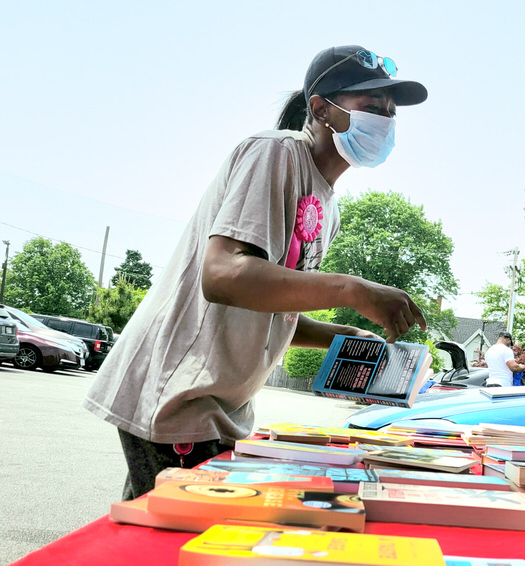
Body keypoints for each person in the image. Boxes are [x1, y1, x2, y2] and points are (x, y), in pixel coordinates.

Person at [84, 45, 429, 500]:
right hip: (179, 393)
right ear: (321, 108)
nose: (384, 121)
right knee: (173, 546)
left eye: (390, 113)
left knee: (160, 539)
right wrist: (353, 289)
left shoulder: (326, 202)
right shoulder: (276, 153)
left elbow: (269, 309)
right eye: (371, 107)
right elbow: (224, 275)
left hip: (220, 404)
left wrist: (340, 337)